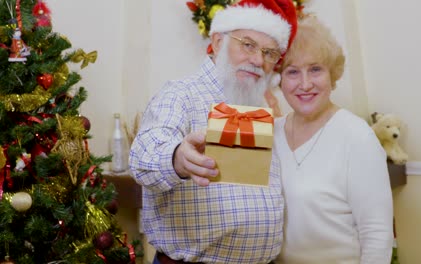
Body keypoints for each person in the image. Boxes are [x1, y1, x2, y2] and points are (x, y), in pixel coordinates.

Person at [129, 0, 297, 263]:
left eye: (269, 53)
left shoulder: (258, 107)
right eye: (248, 45)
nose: (257, 60)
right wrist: (177, 159)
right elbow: (143, 158)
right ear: (218, 41)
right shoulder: (182, 94)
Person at [274, 15, 394, 264]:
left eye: (315, 69)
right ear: (280, 80)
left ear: (332, 74)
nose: (305, 84)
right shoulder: (271, 133)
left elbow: (377, 234)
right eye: (293, 72)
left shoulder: (356, 136)